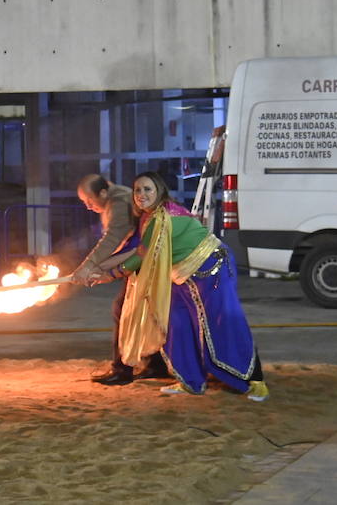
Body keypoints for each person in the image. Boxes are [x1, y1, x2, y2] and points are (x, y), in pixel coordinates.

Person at [93, 171, 268, 401]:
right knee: (175, 320)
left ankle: (252, 381)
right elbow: (136, 249)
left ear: (159, 192)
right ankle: (191, 381)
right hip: (182, 276)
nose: (141, 194)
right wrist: (96, 267)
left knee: (224, 322)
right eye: (137, 190)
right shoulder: (149, 217)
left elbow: (141, 256)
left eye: (147, 189)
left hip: (211, 270)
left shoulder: (162, 216)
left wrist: (108, 275)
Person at [70, 173, 186, 386]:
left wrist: (91, 267)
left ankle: (122, 369)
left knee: (124, 308)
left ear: (103, 192)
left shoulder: (120, 203)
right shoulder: (123, 201)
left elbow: (120, 241)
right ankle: (155, 364)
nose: (88, 206)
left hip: (161, 262)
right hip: (151, 259)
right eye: (138, 191)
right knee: (144, 310)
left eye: (89, 201)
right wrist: (97, 268)